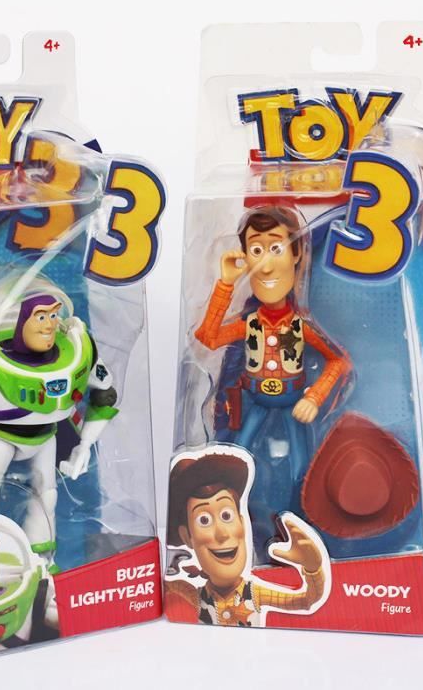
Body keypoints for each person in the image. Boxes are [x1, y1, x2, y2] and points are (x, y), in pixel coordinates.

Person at [194, 205, 350, 556]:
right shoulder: (249, 322)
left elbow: (338, 360)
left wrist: (314, 397)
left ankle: (301, 530)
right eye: (256, 249)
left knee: (302, 468)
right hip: (255, 400)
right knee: (237, 460)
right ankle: (236, 525)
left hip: (293, 402)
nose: (265, 264)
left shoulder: (301, 324)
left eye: (276, 247)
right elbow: (208, 337)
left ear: (297, 254)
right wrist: (225, 283)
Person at [0, 288, 117, 558]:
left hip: (46, 439)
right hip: (0, 440)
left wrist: (85, 444)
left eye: (54, 315)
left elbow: (106, 395)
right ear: (22, 321)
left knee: (46, 497)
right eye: (41, 317)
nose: (50, 325)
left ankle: (42, 558)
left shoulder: (77, 352)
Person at [165, 450, 329, 626]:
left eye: (227, 516)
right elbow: (169, 587)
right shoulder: (196, 595)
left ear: (242, 523)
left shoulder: (254, 593)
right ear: (187, 536)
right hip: (205, 643)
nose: (222, 534)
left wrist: (313, 569)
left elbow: (306, 600)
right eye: (204, 520)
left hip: (253, 644)